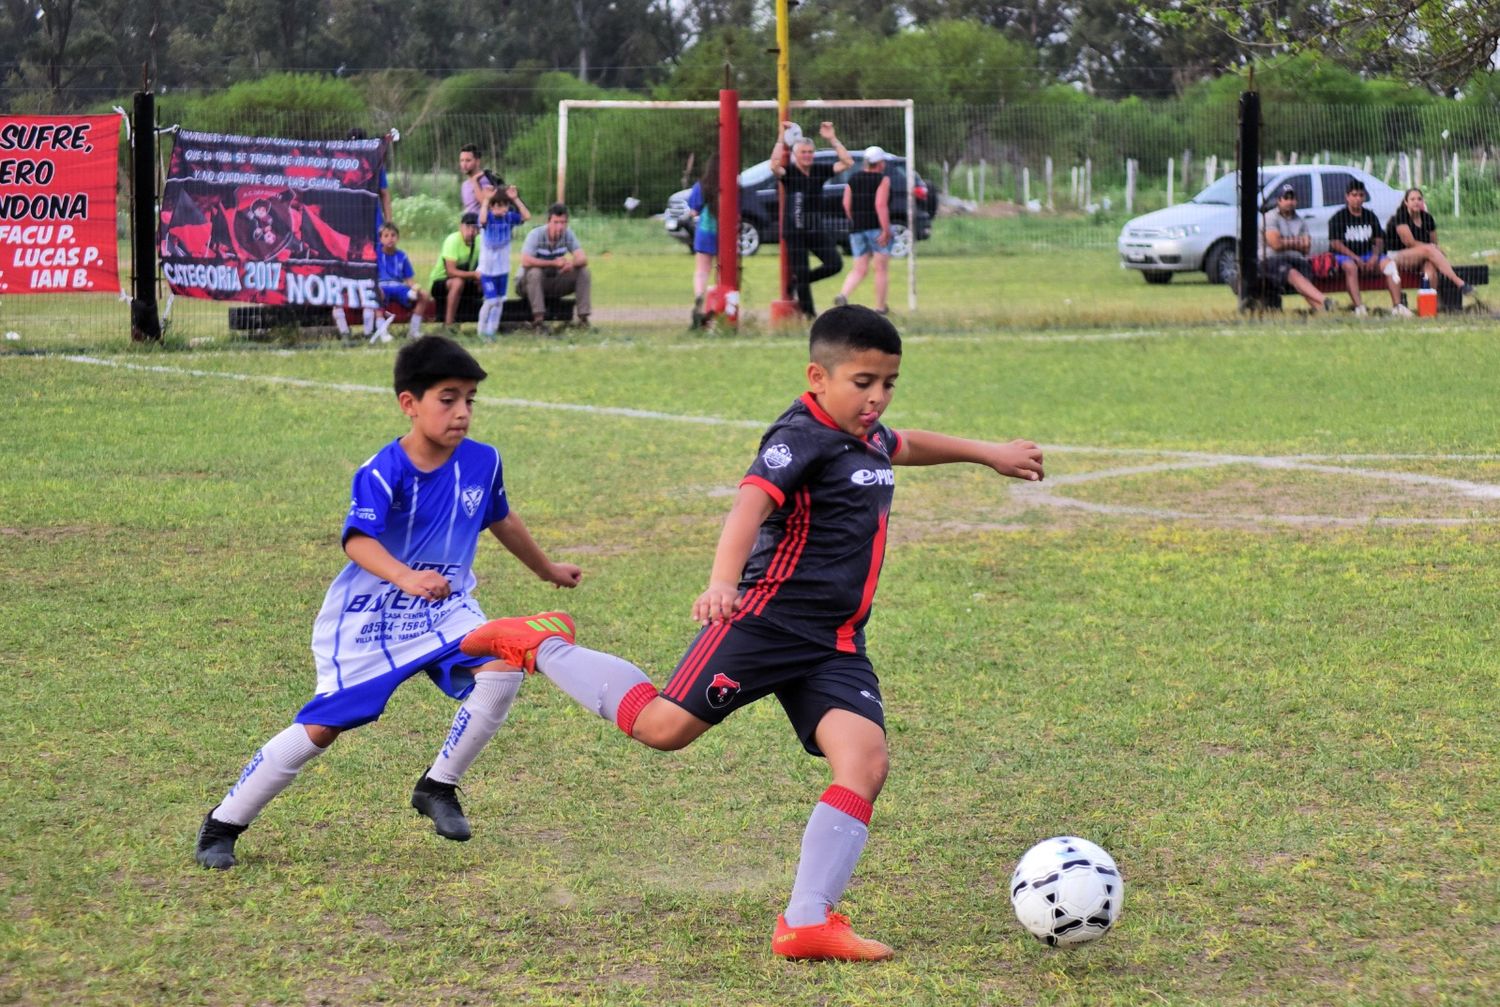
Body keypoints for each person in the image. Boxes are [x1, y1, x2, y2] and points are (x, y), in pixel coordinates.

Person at [459, 305, 1045, 960]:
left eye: (889, 383)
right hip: (766, 619)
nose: (876, 397)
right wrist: (720, 581)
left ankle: (807, 921)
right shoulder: (799, 436)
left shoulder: (869, 434)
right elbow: (750, 504)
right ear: (817, 376)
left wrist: (988, 454)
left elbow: (906, 444)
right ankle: (540, 641)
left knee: (865, 761)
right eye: (863, 381)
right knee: (663, 729)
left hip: (835, 639)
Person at [192, 336, 583, 870]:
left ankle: (438, 786)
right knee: (323, 729)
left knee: (503, 666)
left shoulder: (484, 462)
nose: (463, 412)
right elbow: (357, 540)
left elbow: (500, 517)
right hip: (372, 618)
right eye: (448, 399)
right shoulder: (383, 470)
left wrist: (547, 569)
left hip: (446, 610)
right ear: (409, 403)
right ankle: (224, 822)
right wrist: (405, 577)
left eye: (470, 399)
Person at [772, 121, 853, 318]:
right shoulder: (789, 173)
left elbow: (847, 162)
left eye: (810, 152)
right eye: (803, 152)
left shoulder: (819, 170)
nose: (807, 155)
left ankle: (798, 281)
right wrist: (781, 138)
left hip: (815, 229)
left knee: (835, 264)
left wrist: (832, 138)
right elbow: (774, 166)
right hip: (794, 231)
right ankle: (809, 315)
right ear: (795, 155)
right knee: (801, 270)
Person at [1328, 179, 1410, 317]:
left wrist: (1374, 256)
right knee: (1351, 267)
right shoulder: (1338, 217)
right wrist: (1355, 258)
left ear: (1364, 197)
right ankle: (1359, 307)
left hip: (1367, 254)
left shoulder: (1370, 215)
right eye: (1354, 195)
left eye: (1361, 195)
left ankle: (1398, 306)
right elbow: (1335, 243)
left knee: (1390, 265)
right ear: (1347, 197)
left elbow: (1378, 240)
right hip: (1345, 256)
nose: (1358, 199)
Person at [1384, 187, 1480, 303]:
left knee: (1430, 268)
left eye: (1419, 199)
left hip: (1422, 257)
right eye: (1412, 199)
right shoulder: (1400, 217)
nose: (1416, 202)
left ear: (1423, 201)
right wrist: (1433, 248)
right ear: (1406, 202)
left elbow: (1434, 242)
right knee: (1429, 250)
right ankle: (1460, 283)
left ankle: (1431, 305)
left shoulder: (1427, 218)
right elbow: (1409, 243)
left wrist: (1434, 248)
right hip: (1397, 257)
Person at [834, 146, 893, 314]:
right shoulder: (883, 180)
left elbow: (846, 204)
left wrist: (855, 220)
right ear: (880, 163)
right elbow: (880, 205)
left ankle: (843, 294)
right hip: (876, 229)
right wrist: (886, 229)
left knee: (859, 268)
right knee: (880, 269)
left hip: (857, 229)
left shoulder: (853, 178)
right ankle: (881, 308)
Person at [518, 203, 592, 329]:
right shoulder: (536, 235)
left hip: (553, 280)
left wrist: (571, 264)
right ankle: (539, 321)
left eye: (563, 222)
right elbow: (525, 261)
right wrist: (553, 263)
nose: (560, 226)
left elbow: (582, 258)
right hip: (527, 283)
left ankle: (583, 319)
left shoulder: (568, 234)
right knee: (535, 272)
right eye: (556, 222)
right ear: (548, 222)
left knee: (583, 271)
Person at [1260, 183, 1330, 313]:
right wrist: (1297, 242)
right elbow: (1275, 245)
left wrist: (1285, 241)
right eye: (1286, 198)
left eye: (1292, 198)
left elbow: (1306, 248)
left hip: (1294, 259)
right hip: (1271, 261)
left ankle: (1323, 310)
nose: (1290, 202)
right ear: (1279, 201)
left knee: (1303, 272)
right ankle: (1324, 300)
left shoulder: (1300, 221)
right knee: (1291, 272)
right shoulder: (1270, 217)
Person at [476, 184, 531, 341]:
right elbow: (481, 219)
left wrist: (515, 199)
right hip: (488, 269)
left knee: (499, 301)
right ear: (492, 207)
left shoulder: (509, 217)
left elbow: (527, 216)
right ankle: (481, 330)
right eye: (499, 205)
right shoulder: (489, 218)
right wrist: (486, 200)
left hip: (502, 269)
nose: (503, 208)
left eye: (505, 205)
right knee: (491, 300)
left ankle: (491, 331)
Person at [367, 222, 434, 341]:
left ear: (397, 238)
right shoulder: (375, 255)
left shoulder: (402, 256)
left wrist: (416, 288)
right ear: (380, 239)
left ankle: (414, 331)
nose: (390, 239)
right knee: (377, 295)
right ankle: (383, 333)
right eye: (386, 236)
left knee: (424, 295)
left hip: (399, 287)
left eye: (393, 235)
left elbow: (409, 279)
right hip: (382, 286)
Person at [428, 212, 482, 332]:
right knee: (458, 282)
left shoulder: (479, 242)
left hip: (466, 280)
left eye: (474, 228)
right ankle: (449, 325)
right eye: (467, 227)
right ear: (460, 227)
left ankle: (490, 323)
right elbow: (451, 272)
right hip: (440, 282)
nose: (471, 231)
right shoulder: (452, 240)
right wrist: (473, 275)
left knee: (485, 282)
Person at [686, 154, 719, 328]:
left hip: (705, 232)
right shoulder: (730, 185)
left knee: (702, 270)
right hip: (724, 234)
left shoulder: (701, 186)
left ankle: (700, 295)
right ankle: (718, 299)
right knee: (721, 269)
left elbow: (693, 211)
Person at [460, 144, 502, 218]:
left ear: (477, 161)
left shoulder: (485, 181)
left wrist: (475, 182)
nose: (464, 164)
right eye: (462, 160)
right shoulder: (465, 184)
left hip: (484, 226)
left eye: (468, 160)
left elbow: (488, 206)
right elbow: (468, 208)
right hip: (470, 226)